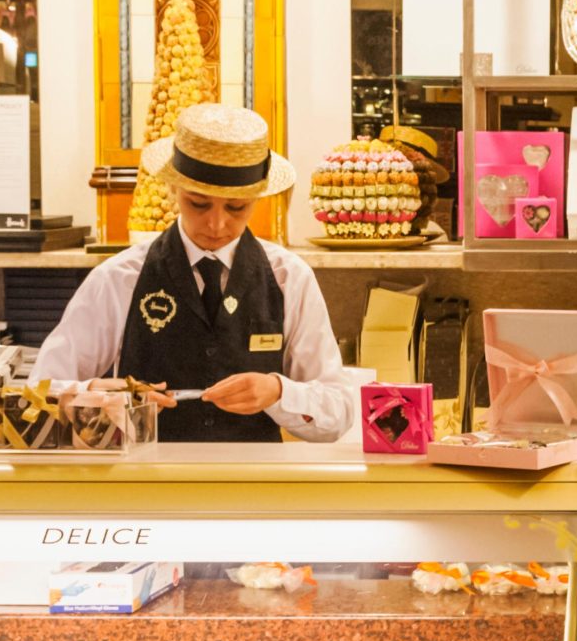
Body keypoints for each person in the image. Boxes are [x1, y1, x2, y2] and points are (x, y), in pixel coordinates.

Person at [32, 103, 354, 443]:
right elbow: (40, 393)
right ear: (173, 190)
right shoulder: (119, 277)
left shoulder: (289, 278)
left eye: (236, 207)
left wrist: (278, 392)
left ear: (258, 198)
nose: (216, 224)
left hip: (255, 486)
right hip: (144, 486)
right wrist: (99, 394)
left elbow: (339, 412)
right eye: (198, 204)